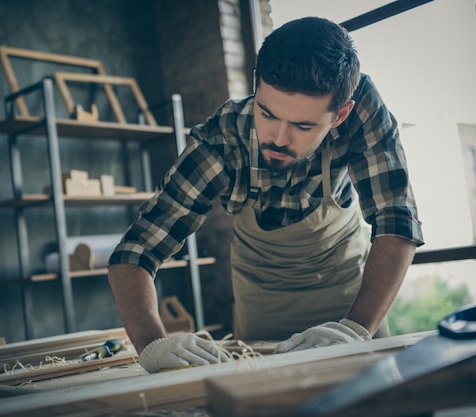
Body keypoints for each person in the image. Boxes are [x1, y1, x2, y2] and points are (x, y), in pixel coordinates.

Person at [108, 16, 424, 374]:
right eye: (267, 113)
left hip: (351, 299)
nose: (278, 138)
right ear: (256, 86)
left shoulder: (360, 104)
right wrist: (152, 344)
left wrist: (354, 329)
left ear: (341, 115)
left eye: (303, 126)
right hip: (262, 305)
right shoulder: (222, 140)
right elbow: (135, 252)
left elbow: (396, 221)